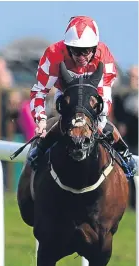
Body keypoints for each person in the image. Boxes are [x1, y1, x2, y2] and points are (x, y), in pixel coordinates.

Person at [27, 15, 138, 177]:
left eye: (85, 51)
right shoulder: (53, 54)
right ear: (67, 47)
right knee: (66, 119)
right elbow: (39, 90)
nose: (81, 57)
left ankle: (124, 154)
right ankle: (41, 149)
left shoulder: (104, 54)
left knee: (101, 123)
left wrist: (100, 115)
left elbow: (105, 93)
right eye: (75, 51)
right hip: (66, 91)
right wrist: (40, 120)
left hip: (94, 93)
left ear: (94, 48)